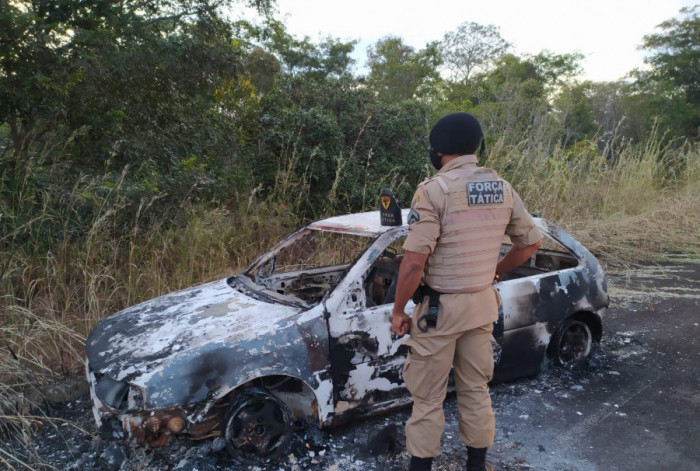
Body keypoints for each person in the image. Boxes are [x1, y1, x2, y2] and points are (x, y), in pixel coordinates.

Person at [390, 112, 543, 471]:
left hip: (439, 311)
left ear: (439, 151)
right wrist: (494, 270)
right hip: (481, 305)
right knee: (475, 389)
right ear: (475, 146)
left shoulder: (433, 191)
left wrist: (399, 311)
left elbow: (413, 263)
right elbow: (530, 243)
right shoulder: (502, 187)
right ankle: (476, 465)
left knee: (427, 398)